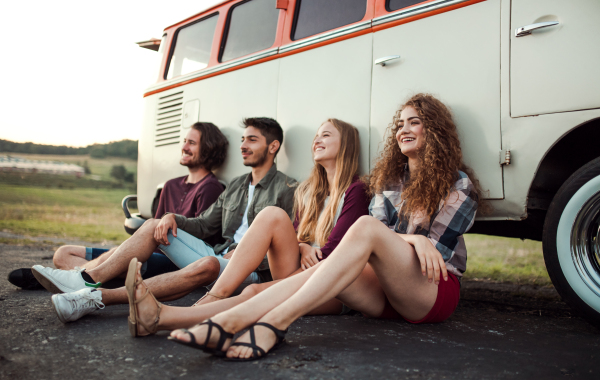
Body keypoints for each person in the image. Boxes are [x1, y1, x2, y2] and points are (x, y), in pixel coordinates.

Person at [167, 94, 486, 360]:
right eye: (400, 123)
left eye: (414, 122)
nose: (404, 128)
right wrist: (413, 240)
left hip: (430, 293)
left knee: (360, 231)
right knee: (307, 274)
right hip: (381, 294)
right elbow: (384, 240)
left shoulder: (457, 184)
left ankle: (273, 324)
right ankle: (183, 318)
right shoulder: (388, 182)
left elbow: (433, 257)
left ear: (435, 130)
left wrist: (409, 242)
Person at [32, 117, 297, 324]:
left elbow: (289, 242)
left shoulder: (287, 188)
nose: (243, 145)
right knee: (153, 225)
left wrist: (246, 254)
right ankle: (87, 278)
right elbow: (204, 225)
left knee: (206, 265)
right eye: (242, 139)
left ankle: (96, 298)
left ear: (272, 146)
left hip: (249, 270)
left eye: (252, 140)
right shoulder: (237, 185)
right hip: (218, 255)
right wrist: (172, 218)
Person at [125, 118, 370, 337]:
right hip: (300, 270)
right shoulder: (309, 191)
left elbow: (336, 254)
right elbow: (296, 236)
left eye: (326, 135)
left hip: (333, 285)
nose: (317, 139)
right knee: (272, 214)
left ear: (346, 144)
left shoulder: (356, 190)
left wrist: (303, 252)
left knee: (254, 291)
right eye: (317, 135)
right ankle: (210, 299)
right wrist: (303, 245)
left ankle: (164, 317)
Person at [7, 122, 227, 290]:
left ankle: (65, 280)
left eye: (191, 143)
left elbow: (201, 239)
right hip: (149, 252)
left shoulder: (210, 188)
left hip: (172, 261)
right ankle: (83, 279)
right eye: (185, 141)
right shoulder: (170, 185)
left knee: (116, 255)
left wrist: (126, 251)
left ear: (207, 148)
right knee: (63, 254)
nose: (184, 147)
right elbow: (150, 229)